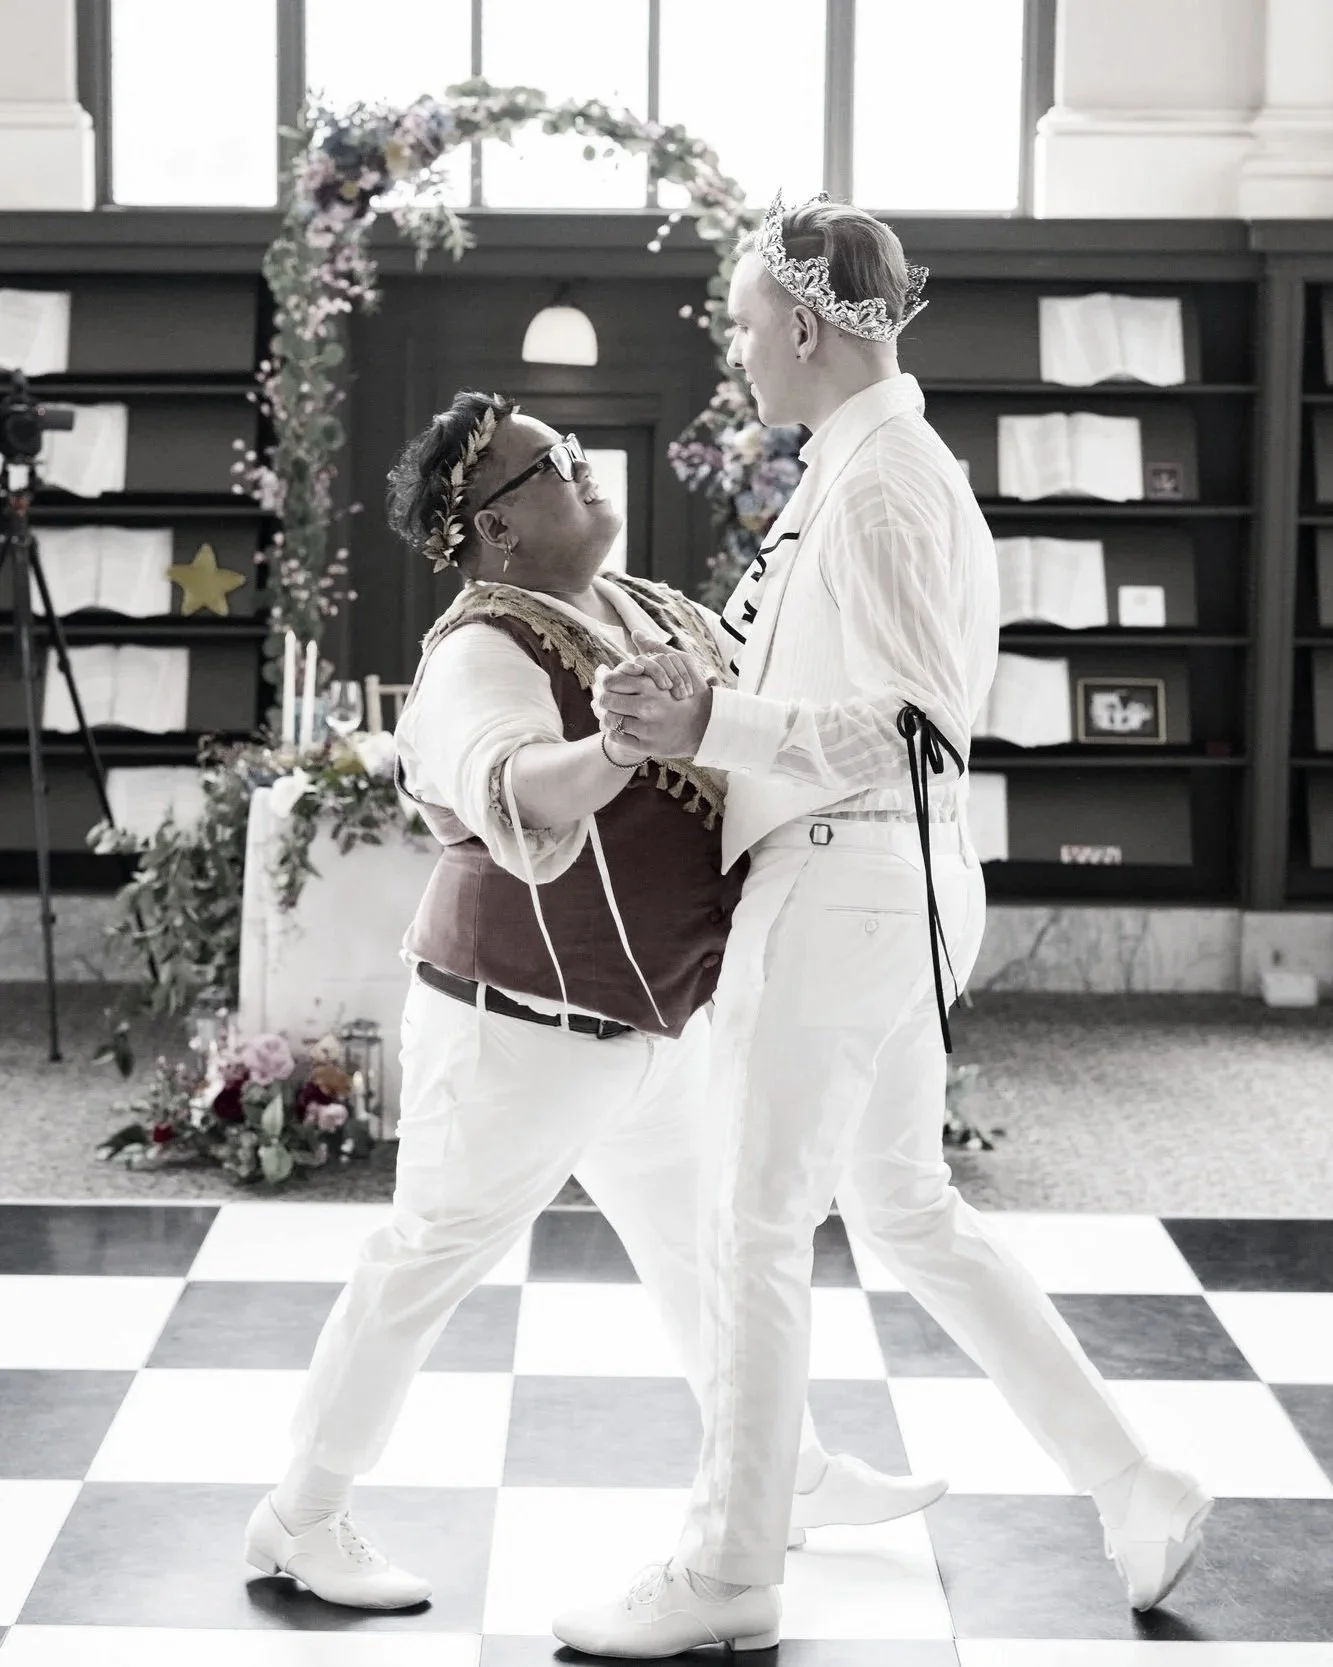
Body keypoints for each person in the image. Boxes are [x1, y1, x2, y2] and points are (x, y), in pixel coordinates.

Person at [556, 194, 1213, 1657]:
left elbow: (917, 725)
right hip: (866, 882)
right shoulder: (858, 471)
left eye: (743, 326)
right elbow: (834, 681)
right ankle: (1136, 1481)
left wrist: (713, 720)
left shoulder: (882, 485)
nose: (737, 352)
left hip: (845, 880)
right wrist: (695, 685)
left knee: (750, 1221)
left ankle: (728, 1566)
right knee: (907, 1212)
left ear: (802, 325)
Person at [241, 390, 946, 1610]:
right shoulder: (478, 649)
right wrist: (614, 749)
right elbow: (520, 786)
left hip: (649, 1025)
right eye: (550, 464)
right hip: (511, 1031)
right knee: (423, 1262)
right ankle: (298, 1514)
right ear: (496, 527)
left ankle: (780, 1475)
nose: (579, 468)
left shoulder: (641, 606)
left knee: (706, 1256)